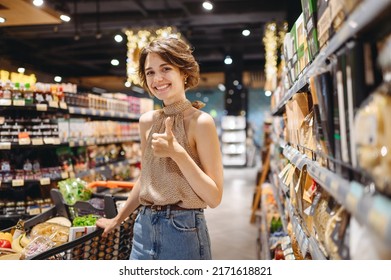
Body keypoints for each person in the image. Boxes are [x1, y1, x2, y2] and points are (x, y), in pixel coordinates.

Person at [96, 36, 224, 260]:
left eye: (166, 69)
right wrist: (118, 219)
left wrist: (178, 153)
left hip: (183, 231)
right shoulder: (147, 121)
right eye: (150, 72)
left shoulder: (201, 122)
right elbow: (146, 179)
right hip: (143, 228)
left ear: (184, 72)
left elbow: (214, 197)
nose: (158, 78)